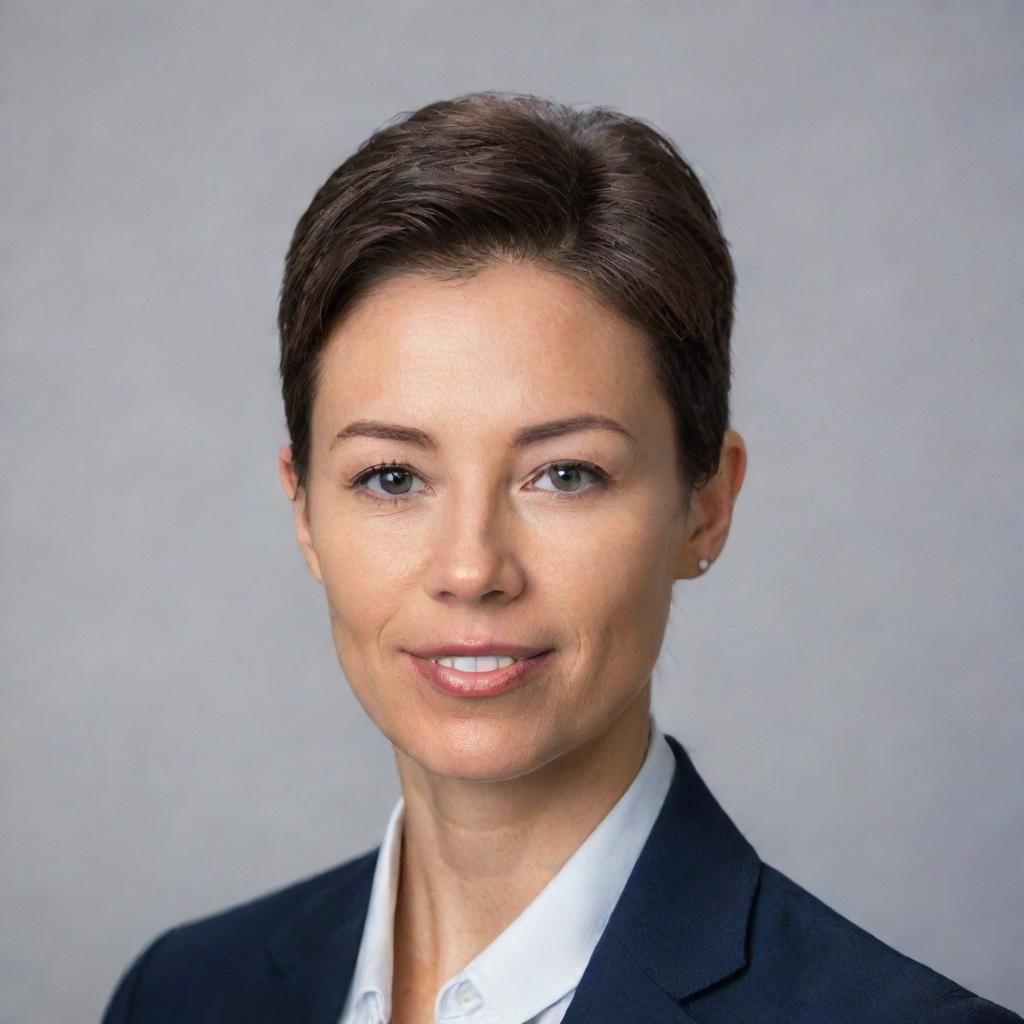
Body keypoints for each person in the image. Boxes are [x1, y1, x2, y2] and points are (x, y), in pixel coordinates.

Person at [99, 91, 1021, 1024]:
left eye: (565, 474)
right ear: (304, 512)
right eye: (390, 478)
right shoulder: (179, 994)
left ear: (705, 504)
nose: (471, 568)